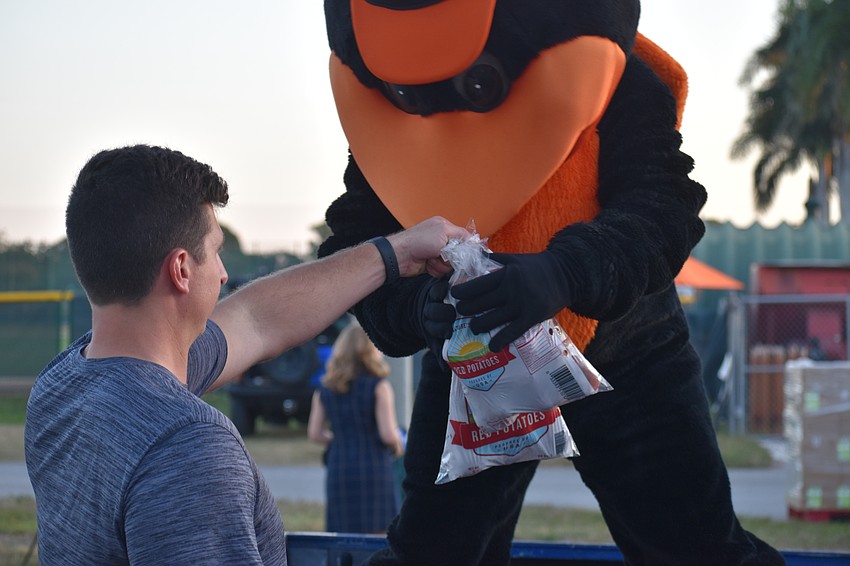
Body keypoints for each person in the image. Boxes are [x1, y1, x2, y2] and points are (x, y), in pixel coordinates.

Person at [319, 2, 785, 565]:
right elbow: (360, 237)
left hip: (625, 345)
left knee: (696, 548)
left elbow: (663, 204)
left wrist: (566, 271)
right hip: (477, 355)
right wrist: (416, 306)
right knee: (434, 552)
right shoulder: (389, 101)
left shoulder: (613, 76)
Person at [23, 144, 466, 565]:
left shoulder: (61, 385)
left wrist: (398, 251)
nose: (222, 274)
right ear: (180, 269)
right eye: (215, 252)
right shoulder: (186, 446)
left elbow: (257, 319)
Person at [307, 322, 403, 533]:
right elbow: (388, 434)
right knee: (378, 534)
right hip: (374, 466)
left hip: (339, 466)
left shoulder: (325, 389)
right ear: (369, 350)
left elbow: (314, 433)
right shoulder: (379, 386)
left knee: (343, 534)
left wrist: (340, 437)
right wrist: (399, 443)